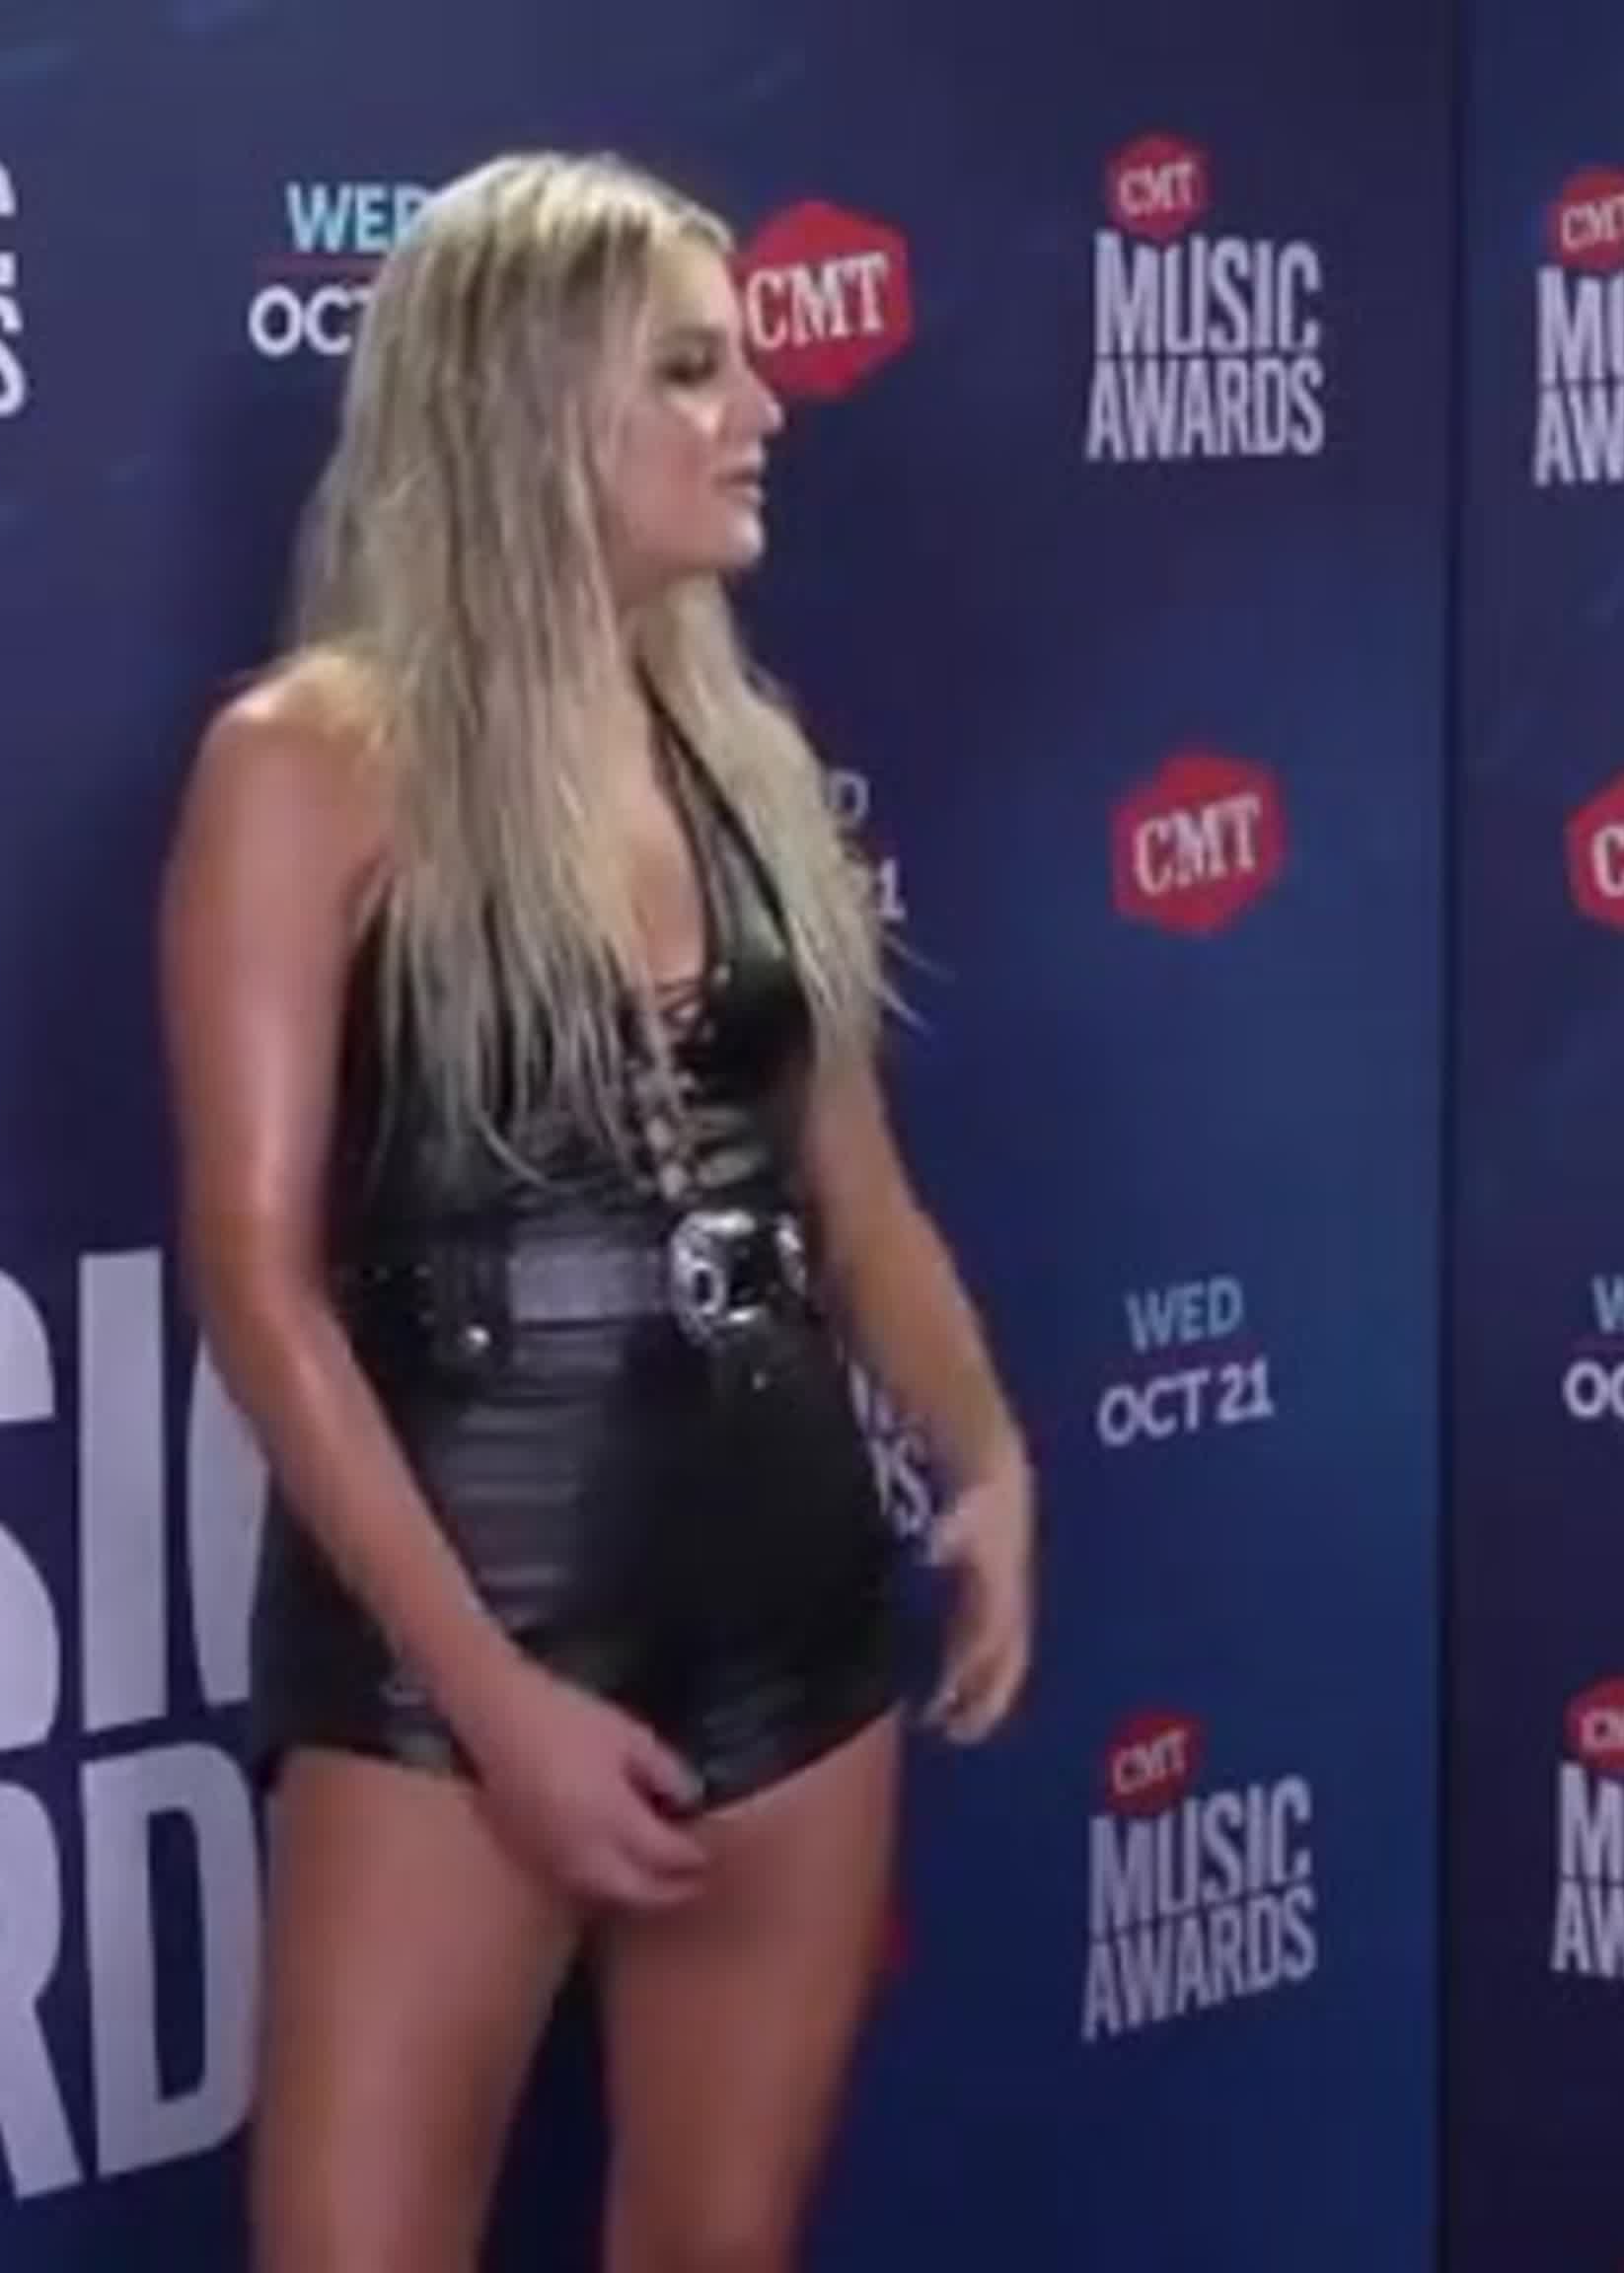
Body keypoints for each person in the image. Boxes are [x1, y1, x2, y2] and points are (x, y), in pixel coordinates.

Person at [159, 150, 1037, 2272]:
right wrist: (487, 1694)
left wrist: (990, 1449)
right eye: (691, 369)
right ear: (526, 402)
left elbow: (855, 1191)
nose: (764, 411)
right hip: (465, 1623)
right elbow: (260, 1289)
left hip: (790, 1605)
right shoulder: (305, 763)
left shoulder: (741, 757)